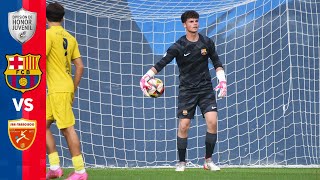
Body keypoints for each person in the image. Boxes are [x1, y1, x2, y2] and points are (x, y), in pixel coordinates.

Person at [140, 10, 227, 172]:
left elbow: (217, 62)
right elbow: (162, 63)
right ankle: (181, 162)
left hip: (206, 89)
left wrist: (222, 80)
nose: (195, 24)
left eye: (196, 21)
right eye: (191, 21)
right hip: (187, 91)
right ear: (184, 24)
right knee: (184, 126)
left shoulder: (207, 42)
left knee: (213, 122)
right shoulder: (178, 46)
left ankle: (208, 160)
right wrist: (146, 76)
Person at [46, 2, 88, 180]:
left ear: (46, 18)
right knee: (41, 126)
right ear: (63, 18)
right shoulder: (70, 38)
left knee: (67, 129)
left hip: (57, 89)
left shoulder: (47, 36)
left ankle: (80, 171)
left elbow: (38, 60)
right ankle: (55, 167)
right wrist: (73, 87)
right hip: (63, 88)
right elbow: (79, 66)